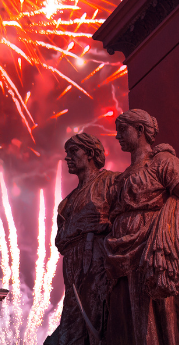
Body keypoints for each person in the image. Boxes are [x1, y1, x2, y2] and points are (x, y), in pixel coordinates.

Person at [106, 109, 179, 345]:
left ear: (140, 130)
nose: (117, 136)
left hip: (153, 254)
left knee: (161, 323)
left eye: (123, 130)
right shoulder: (121, 178)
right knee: (132, 328)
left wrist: (173, 249)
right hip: (122, 259)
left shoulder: (163, 162)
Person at [48, 133, 118, 345]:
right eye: (66, 153)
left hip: (97, 260)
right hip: (72, 267)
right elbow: (60, 240)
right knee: (72, 329)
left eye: (73, 152)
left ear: (90, 153)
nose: (68, 157)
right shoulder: (66, 203)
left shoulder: (111, 182)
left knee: (98, 323)